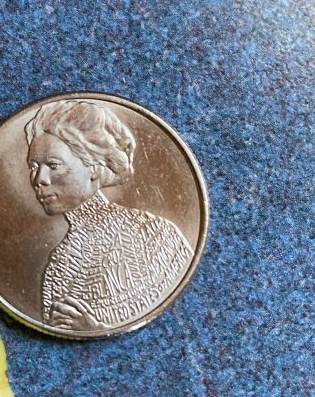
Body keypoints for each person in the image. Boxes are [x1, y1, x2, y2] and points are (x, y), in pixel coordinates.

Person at [24, 99, 193, 330]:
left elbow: (185, 317)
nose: (38, 179)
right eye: (33, 167)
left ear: (93, 166)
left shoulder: (154, 235)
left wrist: (95, 329)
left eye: (53, 165)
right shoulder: (59, 266)